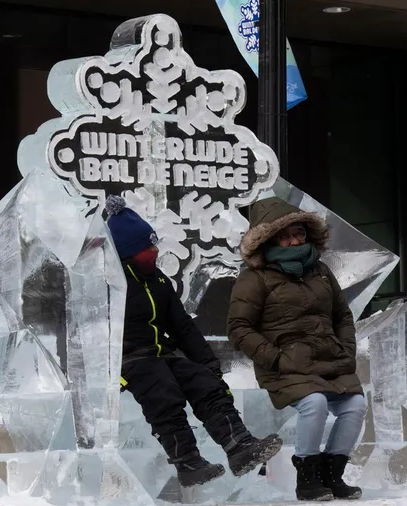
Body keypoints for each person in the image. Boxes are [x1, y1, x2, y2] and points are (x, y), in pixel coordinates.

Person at [105, 195, 282, 488]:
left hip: (161, 352)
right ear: (128, 252)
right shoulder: (110, 283)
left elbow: (182, 326)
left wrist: (209, 364)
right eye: (148, 247)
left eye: (154, 244)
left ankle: (240, 447)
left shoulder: (158, 280)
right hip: (128, 359)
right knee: (163, 391)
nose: (154, 251)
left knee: (204, 382)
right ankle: (188, 463)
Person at [227, 197, 367, 502]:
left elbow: (342, 316)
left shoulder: (321, 271)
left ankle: (333, 475)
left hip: (330, 360)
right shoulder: (255, 278)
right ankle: (307, 478)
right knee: (314, 403)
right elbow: (238, 328)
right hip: (285, 367)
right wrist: (276, 358)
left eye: (299, 234)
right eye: (286, 235)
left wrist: (346, 350)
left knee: (355, 406)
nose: (294, 241)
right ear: (268, 239)